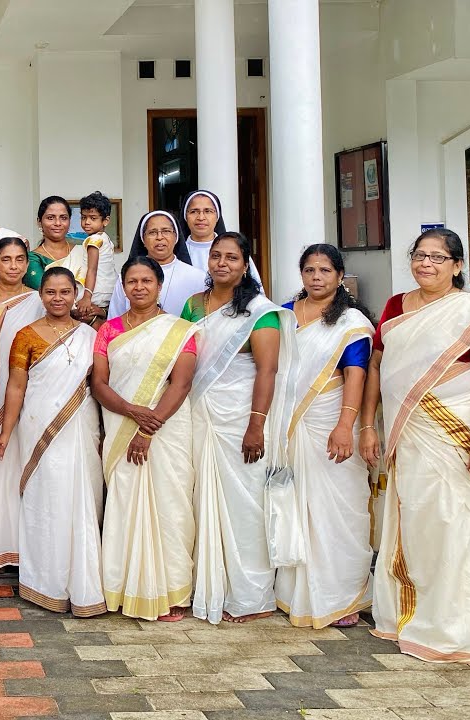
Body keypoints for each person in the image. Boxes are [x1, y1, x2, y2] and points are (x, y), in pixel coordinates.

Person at [359, 228, 470, 663]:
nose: (426, 264)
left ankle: (458, 630)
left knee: (457, 527)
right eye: (420, 255)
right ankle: (409, 617)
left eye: (438, 257)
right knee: (416, 524)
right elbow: (378, 364)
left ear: (457, 266)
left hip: (457, 434)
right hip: (408, 435)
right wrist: (367, 423)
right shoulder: (397, 307)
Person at [182, 231, 295, 624]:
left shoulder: (259, 311)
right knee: (200, 499)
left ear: (245, 264)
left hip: (241, 417)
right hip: (199, 414)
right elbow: (184, 358)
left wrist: (256, 426)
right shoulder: (195, 305)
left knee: (245, 505)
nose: (222, 263)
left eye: (231, 257)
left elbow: (268, 370)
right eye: (216, 256)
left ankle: (250, 596)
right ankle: (208, 585)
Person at [92, 257, 199, 621]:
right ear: (123, 287)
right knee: (124, 505)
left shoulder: (180, 330)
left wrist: (147, 429)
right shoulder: (108, 330)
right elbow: (99, 384)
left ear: (158, 285)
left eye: (146, 281)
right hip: (121, 426)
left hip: (166, 431)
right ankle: (125, 588)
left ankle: (172, 593)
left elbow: (181, 384)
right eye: (132, 281)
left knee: (170, 506)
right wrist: (131, 412)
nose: (139, 287)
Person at [274, 245, 375, 629]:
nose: (317, 277)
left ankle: (342, 595)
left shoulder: (349, 321)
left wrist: (345, 425)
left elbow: (356, 375)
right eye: (310, 270)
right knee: (295, 506)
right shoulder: (284, 312)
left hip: (331, 424)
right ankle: (295, 593)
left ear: (339, 275)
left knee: (338, 510)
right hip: (287, 425)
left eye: (325, 270)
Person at [0, 267, 105, 617]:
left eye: (64, 292)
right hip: (37, 423)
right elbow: (16, 387)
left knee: (81, 497)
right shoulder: (25, 336)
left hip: (80, 425)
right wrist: (6, 431)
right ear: (40, 295)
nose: (57, 298)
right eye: (50, 292)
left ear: (75, 294)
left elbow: (99, 386)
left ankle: (83, 583)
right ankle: (45, 583)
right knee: (46, 499)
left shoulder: (90, 336)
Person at [0, 237, 43, 569]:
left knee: (15, 464)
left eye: (20, 260)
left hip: (23, 393)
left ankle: (17, 548)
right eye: (6, 260)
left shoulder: (38, 301)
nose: (14, 266)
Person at [108, 211, 207, 318]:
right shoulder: (128, 277)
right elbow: (114, 319)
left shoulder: (197, 277)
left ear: (176, 237)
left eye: (166, 231)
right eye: (152, 232)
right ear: (143, 240)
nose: (159, 237)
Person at [179, 190, 261, 283]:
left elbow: (256, 290)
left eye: (208, 211)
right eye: (194, 211)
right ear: (186, 216)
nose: (201, 217)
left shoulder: (235, 249)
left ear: (217, 216)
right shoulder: (175, 253)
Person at [23, 196, 89, 304]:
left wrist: (100, 311)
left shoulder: (83, 251)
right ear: (39, 222)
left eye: (63, 218)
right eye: (50, 218)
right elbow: (49, 298)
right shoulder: (33, 259)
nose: (58, 223)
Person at [75, 191, 115, 325]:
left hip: (94, 293)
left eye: (93, 218)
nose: (86, 222)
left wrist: (86, 297)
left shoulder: (94, 240)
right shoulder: (106, 239)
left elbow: (92, 270)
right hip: (106, 291)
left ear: (106, 221)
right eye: (83, 217)